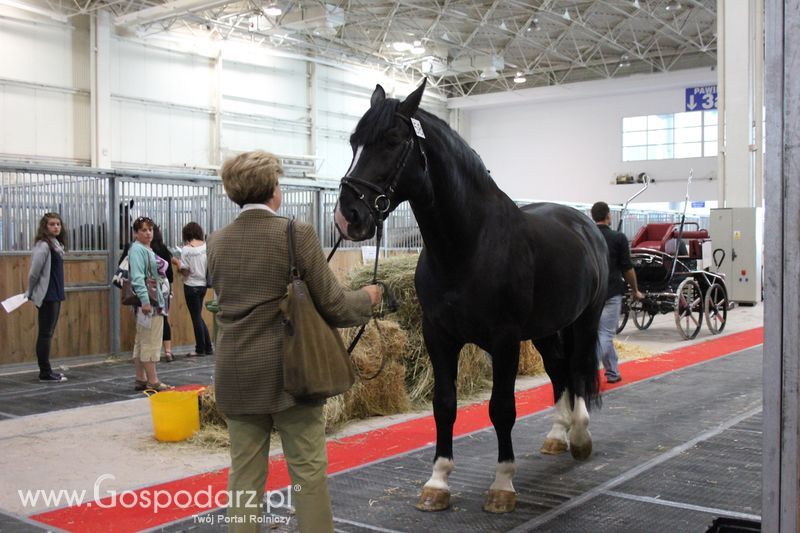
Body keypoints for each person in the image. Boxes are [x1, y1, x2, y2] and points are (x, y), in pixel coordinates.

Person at [208, 150, 382, 532]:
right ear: (273, 189)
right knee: (306, 473)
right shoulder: (295, 233)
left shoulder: (215, 241)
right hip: (292, 373)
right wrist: (367, 299)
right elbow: (335, 305)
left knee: (244, 477)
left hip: (235, 373)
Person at [591, 202, 644, 384]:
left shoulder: (587, 236)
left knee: (599, 334)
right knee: (606, 334)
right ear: (608, 216)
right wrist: (635, 290)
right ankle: (587, 368)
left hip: (591, 294)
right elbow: (627, 268)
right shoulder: (618, 238)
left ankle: (612, 372)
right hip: (611, 291)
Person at [129, 216, 171, 392]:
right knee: (151, 341)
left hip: (153, 301)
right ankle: (153, 381)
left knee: (142, 341)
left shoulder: (145, 248)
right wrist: (145, 301)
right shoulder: (138, 250)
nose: (148, 233)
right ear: (136, 233)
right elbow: (138, 278)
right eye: (144, 230)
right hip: (150, 304)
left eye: (150, 229)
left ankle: (141, 378)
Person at [26, 212, 68, 382]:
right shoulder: (44, 246)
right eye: (52, 224)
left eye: (58, 224)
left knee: (48, 333)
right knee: (45, 334)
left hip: (55, 293)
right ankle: (45, 372)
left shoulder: (56, 244)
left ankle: (46, 370)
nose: (56, 227)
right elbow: (34, 273)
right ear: (45, 226)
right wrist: (30, 292)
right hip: (47, 295)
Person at [171, 222, 213, 357]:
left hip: (191, 286)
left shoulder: (186, 249)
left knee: (196, 318)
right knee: (198, 316)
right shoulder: (206, 246)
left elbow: (185, 271)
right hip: (203, 285)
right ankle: (208, 348)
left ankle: (200, 349)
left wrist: (177, 263)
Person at [151, 225, 175, 362]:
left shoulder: (144, 250)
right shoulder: (164, 249)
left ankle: (153, 353)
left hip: (150, 287)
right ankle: (168, 351)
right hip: (164, 288)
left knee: (150, 320)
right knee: (164, 318)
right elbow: (170, 274)